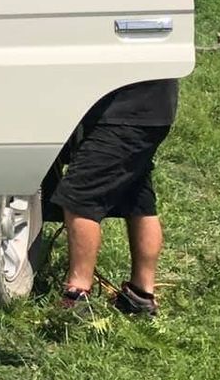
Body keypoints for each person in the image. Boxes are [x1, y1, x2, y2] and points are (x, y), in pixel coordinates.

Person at [49, 76, 177, 321]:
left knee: (80, 197)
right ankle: (140, 296)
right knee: (137, 198)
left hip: (124, 114)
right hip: (154, 109)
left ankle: (77, 297)